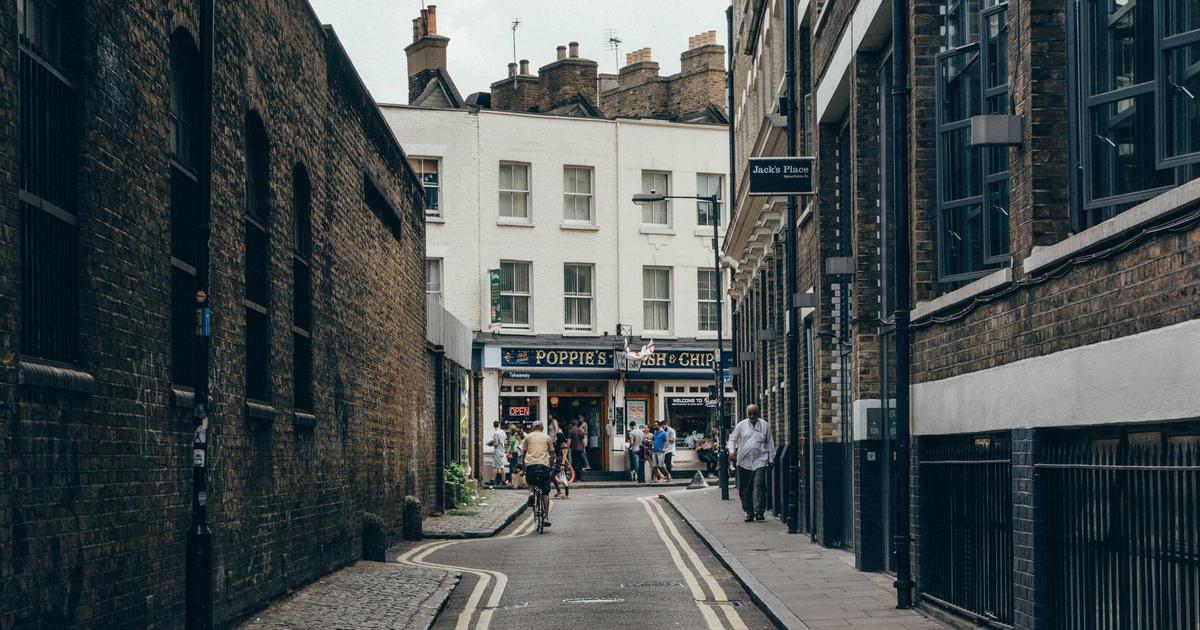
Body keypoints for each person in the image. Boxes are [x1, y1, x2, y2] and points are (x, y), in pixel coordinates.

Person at [728, 404, 775, 522]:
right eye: (750, 414)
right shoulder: (741, 425)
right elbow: (732, 439)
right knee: (745, 489)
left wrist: (771, 459)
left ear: (758, 413)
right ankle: (749, 512)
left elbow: (770, 443)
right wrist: (732, 451)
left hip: (760, 460)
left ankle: (759, 512)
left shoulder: (765, 425)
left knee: (759, 485)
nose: (752, 416)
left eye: (754, 413)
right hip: (744, 461)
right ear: (747, 414)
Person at [521, 421, 555, 527]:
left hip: (530, 465)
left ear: (532, 428)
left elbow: (524, 453)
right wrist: (551, 465)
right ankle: (546, 517)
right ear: (542, 428)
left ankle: (531, 492)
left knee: (530, 480)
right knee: (545, 492)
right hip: (543, 466)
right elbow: (552, 453)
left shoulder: (528, 437)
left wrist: (524, 468)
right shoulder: (547, 437)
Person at [552, 426, 571, 499]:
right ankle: (560, 492)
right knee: (558, 477)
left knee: (562, 477)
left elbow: (564, 455)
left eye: (556, 437)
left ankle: (564, 493)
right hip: (558, 463)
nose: (555, 438)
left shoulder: (563, 444)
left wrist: (563, 465)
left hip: (561, 463)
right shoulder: (559, 444)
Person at [490, 421, 508, 486]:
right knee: (494, 465)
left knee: (501, 466)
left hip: (498, 451)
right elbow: (505, 441)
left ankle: (503, 480)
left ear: (493, 425)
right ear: (499, 425)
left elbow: (496, 444)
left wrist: (491, 444)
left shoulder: (496, 433)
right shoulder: (503, 432)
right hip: (502, 450)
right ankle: (492, 480)